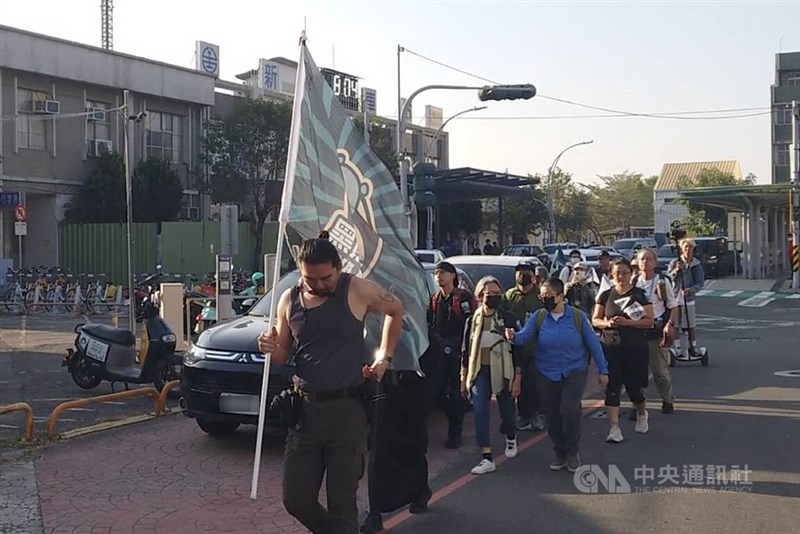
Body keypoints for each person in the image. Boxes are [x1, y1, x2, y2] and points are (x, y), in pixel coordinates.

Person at [257, 232, 404, 534]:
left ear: (338, 268)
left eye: (325, 278)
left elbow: (395, 309)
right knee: (295, 499)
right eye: (310, 278)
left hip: (346, 412)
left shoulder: (358, 290)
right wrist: (272, 349)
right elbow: (284, 355)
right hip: (305, 411)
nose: (318, 284)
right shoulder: (290, 299)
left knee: (342, 504)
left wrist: (384, 358)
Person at [505, 277, 608, 472]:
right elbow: (525, 336)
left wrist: (603, 370)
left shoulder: (577, 317)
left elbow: (594, 344)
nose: (546, 300)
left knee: (569, 411)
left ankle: (572, 451)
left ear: (561, 296)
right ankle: (559, 451)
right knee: (552, 416)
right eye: (542, 296)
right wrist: (513, 337)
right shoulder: (539, 316)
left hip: (574, 371)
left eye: (550, 296)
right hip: (546, 372)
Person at [460, 275, 523, 475]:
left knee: (506, 408)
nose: (493, 297)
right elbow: (466, 351)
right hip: (479, 370)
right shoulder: (472, 320)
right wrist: (463, 378)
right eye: (489, 294)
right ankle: (486, 456)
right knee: (480, 410)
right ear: (480, 295)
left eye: (497, 293)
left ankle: (511, 436)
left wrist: (518, 378)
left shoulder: (508, 318)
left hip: (504, 370)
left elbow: (518, 349)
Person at [592, 258, 655, 444]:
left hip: (634, 347)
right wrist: (607, 323)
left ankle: (642, 412)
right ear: (611, 274)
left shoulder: (640, 294)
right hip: (610, 347)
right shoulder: (605, 295)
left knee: (634, 388)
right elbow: (595, 319)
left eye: (625, 273)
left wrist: (628, 323)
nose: (621, 276)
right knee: (612, 388)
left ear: (631, 273)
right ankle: (614, 428)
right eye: (617, 273)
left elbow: (649, 320)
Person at [429, 261, 477, 449]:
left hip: (458, 355)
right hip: (440, 355)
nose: (438, 276)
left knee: (457, 396)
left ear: (452, 276)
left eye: (442, 273)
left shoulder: (461, 298)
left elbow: (471, 324)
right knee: (437, 395)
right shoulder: (435, 299)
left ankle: (455, 434)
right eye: (436, 273)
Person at [635, 248, 678, 415]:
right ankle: (637, 404)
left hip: (656, 330)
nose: (645, 262)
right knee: (637, 370)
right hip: (637, 330)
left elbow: (673, 306)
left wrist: (670, 324)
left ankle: (667, 400)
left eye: (648, 259)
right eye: (641, 259)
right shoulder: (634, 281)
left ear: (655, 262)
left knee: (659, 370)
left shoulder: (661, 281)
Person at [504, 260, 545, 432]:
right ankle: (523, 415)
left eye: (527, 272)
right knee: (516, 382)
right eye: (519, 272)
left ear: (534, 276)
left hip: (535, 347)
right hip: (513, 347)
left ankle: (534, 414)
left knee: (533, 381)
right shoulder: (509, 296)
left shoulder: (540, 296)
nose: (523, 275)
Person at [668, 238, 706, 357]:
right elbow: (668, 278)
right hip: (675, 296)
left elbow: (700, 282)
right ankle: (677, 347)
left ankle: (693, 346)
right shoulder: (675, 262)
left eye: (690, 248)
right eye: (685, 248)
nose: (688, 250)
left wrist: (691, 290)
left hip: (688, 298)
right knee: (675, 324)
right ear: (681, 249)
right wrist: (676, 270)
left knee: (691, 324)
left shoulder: (696, 265)